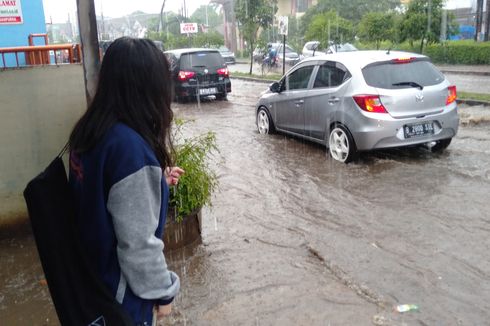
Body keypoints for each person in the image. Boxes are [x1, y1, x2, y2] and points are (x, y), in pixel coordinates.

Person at [68, 37, 183, 325]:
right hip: (121, 305)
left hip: (90, 287)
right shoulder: (130, 150)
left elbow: (102, 196)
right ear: (147, 88)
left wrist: (156, 183)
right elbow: (139, 247)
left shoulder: (91, 131)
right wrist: (165, 296)